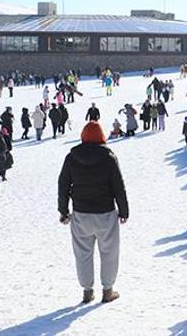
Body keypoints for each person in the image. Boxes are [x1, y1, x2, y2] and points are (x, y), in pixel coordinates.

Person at [58, 121, 129, 304]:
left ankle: (87, 291)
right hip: (105, 213)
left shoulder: (71, 157)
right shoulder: (109, 157)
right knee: (109, 253)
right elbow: (118, 186)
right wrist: (124, 210)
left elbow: (63, 185)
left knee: (83, 254)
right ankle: (108, 290)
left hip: (81, 213)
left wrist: (64, 211)